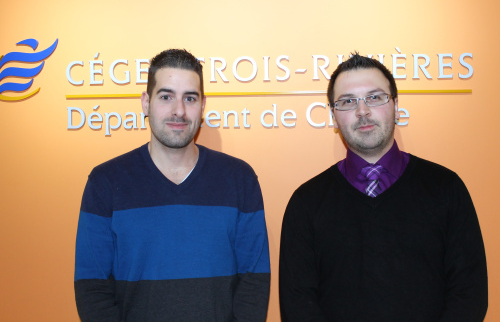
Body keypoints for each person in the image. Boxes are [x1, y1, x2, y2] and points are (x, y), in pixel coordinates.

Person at [279, 53, 488, 322]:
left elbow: (469, 293)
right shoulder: (306, 202)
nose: (362, 111)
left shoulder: (447, 188)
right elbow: (297, 303)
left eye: (375, 97)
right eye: (347, 101)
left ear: (396, 105)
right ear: (333, 115)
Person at [75, 49, 270, 322]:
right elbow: (91, 287)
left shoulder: (240, 179)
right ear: (146, 103)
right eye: (166, 96)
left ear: (202, 106)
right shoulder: (105, 182)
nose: (179, 110)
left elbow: (254, 282)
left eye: (189, 98)